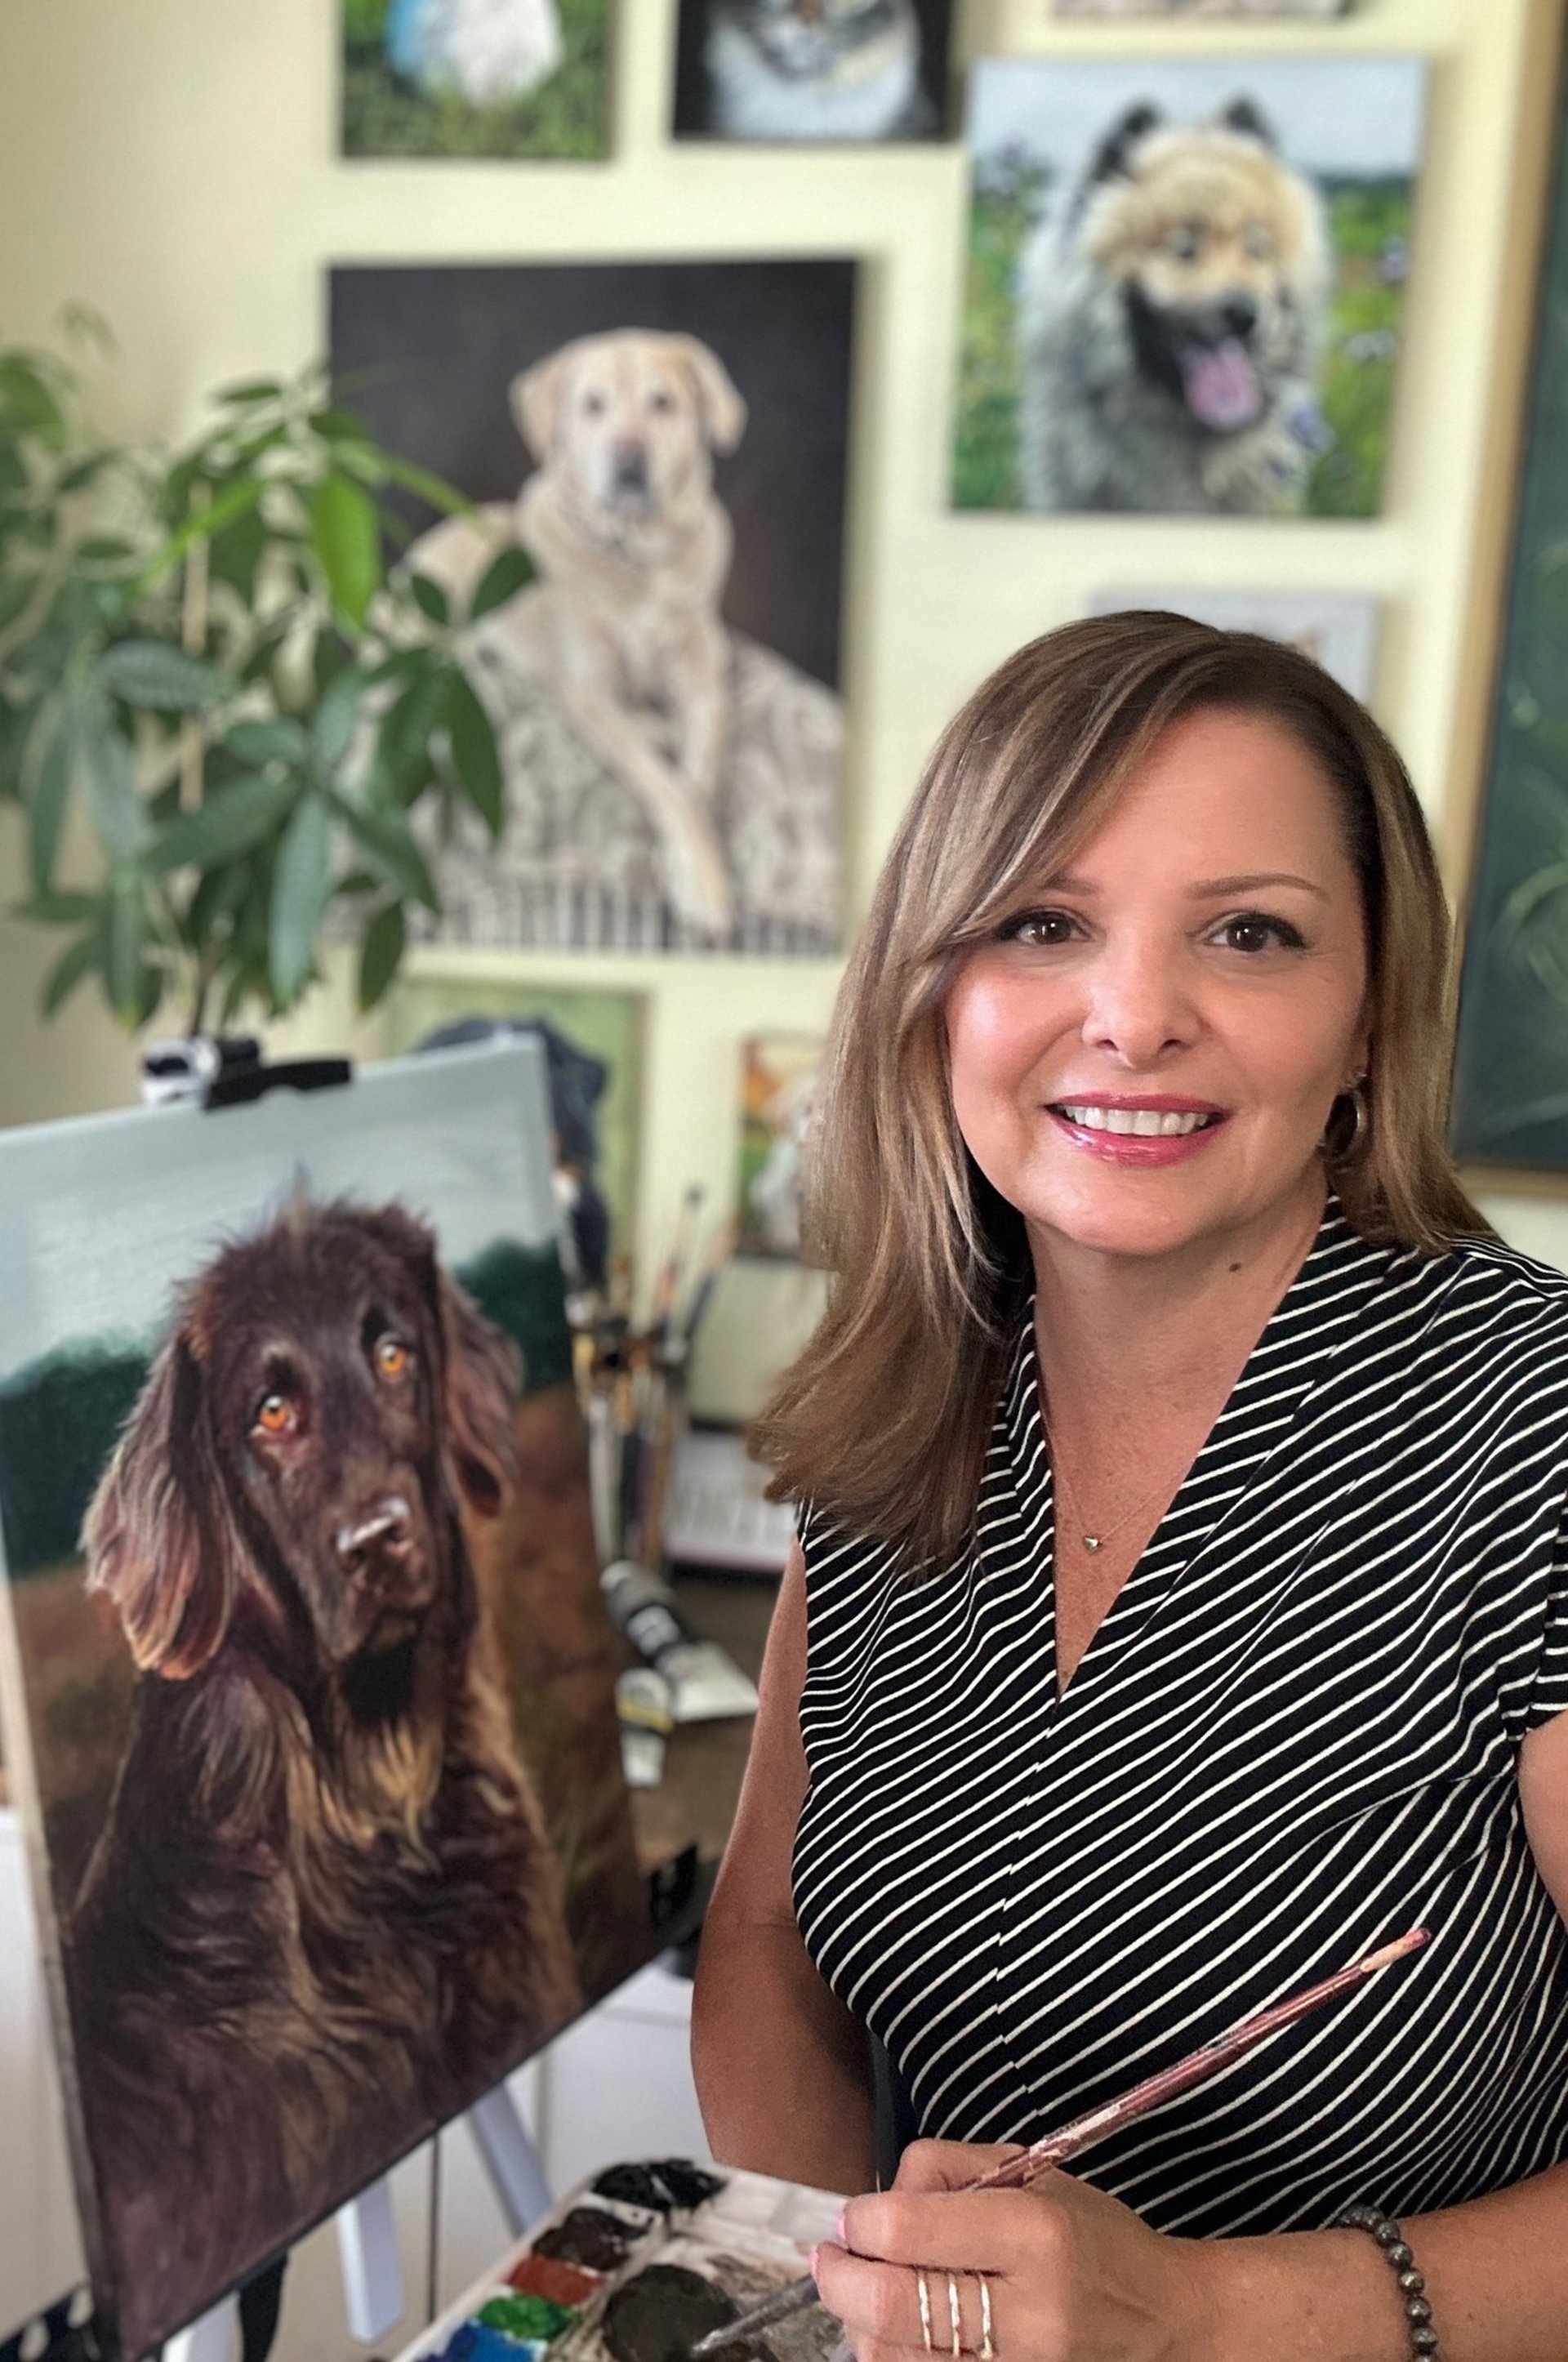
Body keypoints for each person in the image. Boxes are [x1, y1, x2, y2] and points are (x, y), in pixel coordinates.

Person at [691, 614, 1568, 2361]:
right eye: (1044, 923)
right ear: (936, 993)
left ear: (1370, 1017)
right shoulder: (905, 1399)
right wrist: (826, 2308)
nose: (1136, 1016)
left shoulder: (1527, 1428)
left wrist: (1207, 2311)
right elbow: (775, 1951)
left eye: (1249, 933)